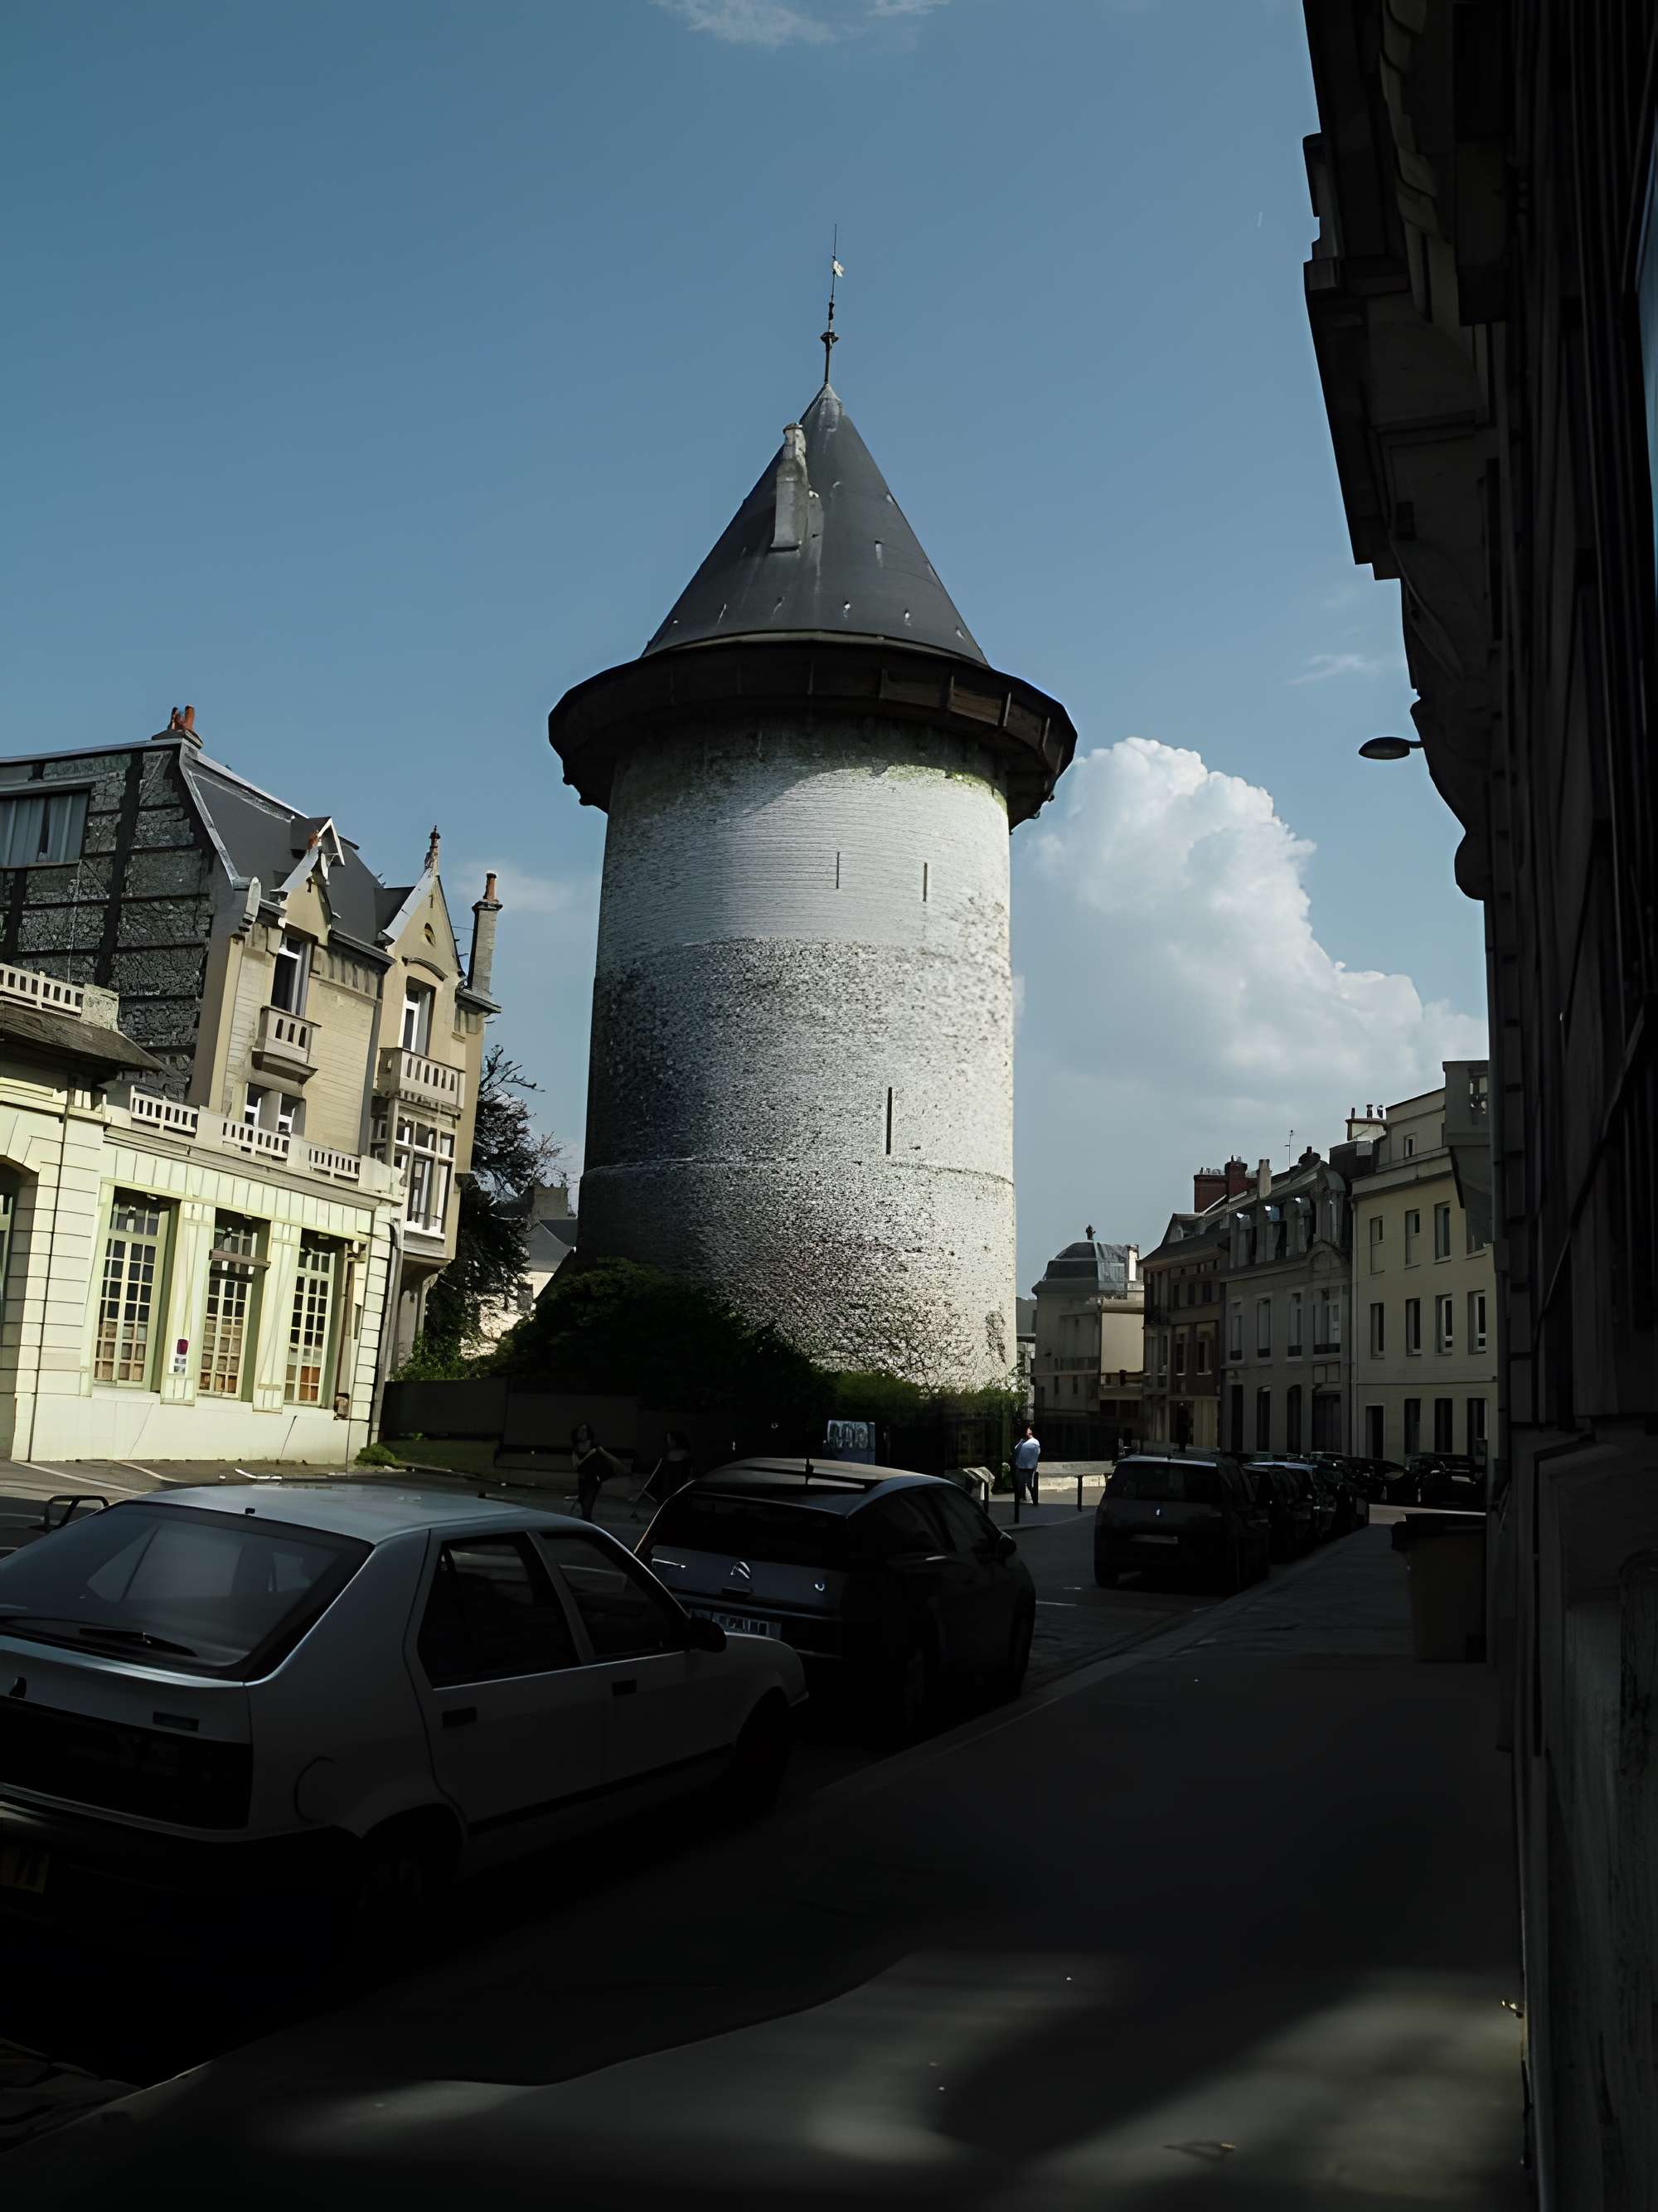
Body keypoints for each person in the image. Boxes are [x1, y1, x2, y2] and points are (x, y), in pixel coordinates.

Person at [635, 1429, 694, 1518]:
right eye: (668, 1440)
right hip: (676, 1491)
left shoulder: (671, 1457)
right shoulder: (687, 1455)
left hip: (672, 1490)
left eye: (670, 1439)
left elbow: (657, 1475)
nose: (669, 1442)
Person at [570, 1422, 621, 1523]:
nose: (581, 1432)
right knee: (584, 1505)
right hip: (582, 1481)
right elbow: (576, 1467)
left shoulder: (595, 1448)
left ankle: (588, 1527)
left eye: (584, 1430)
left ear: (588, 1433)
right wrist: (588, 1456)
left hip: (593, 1481)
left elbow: (609, 1461)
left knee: (587, 1508)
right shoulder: (576, 1449)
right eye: (580, 1430)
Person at [1012, 1424, 1041, 1507]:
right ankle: (1021, 1498)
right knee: (1020, 1484)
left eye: (1028, 1430)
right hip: (1020, 1466)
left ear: (1031, 1433)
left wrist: (1034, 1466)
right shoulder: (1022, 1441)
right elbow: (1016, 1450)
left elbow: (1036, 1454)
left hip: (1029, 1468)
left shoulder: (1035, 1442)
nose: (1027, 1432)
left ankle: (1034, 1500)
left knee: (1030, 1485)